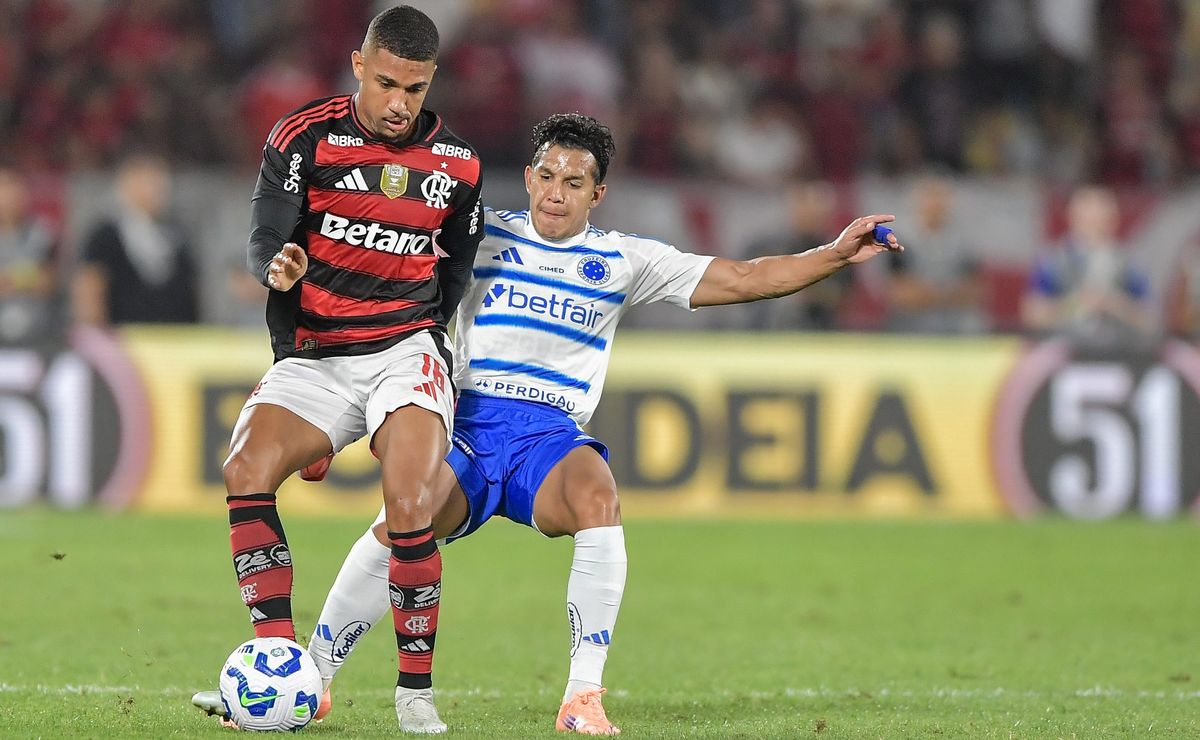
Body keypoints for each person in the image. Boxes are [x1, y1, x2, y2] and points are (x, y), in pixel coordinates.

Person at [194, 113, 898, 734]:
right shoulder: (478, 235)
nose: (556, 191)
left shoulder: (624, 260)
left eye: (574, 181)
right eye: (547, 174)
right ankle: (312, 681)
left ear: (598, 193)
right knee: (403, 522)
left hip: (546, 436)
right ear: (529, 177)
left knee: (599, 497)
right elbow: (370, 256)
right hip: (463, 420)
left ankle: (582, 698)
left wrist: (835, 254)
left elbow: (746, 277)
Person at [204, 5, 483, 734]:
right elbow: (264, 231)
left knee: (410, 500)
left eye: (415, 89)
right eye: (387, 82)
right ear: (359, 64)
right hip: (319, 355)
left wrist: (432, 340)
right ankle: (279, 667)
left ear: (430, 82)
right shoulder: (305, 137)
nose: (399, 103)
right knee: (245, 469)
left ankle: (414, 693)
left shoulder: (458, 166)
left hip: (403, 351)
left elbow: (455, 271)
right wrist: (279, 262)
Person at [71, 152, 200, 327]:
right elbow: (90, 289)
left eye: (160, 181)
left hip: (174, 342)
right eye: (148, 181)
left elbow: (189, 292)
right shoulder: (106, 235)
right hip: (123, 341)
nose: (157, 189)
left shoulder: (177, 234)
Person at [1021, 185, 1152, 345]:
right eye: (1087, 205)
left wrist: (1114, 304)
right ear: (1072, 214)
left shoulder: (1129, 263)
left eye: (1101, 205)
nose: (1094, 213)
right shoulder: (1053, 261)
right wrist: (1076, 303)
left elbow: (1149, 320)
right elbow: (1033, 317)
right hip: (1065, 353)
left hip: (1118, 353)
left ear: (1114, 215)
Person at [883, 170, 988, 334]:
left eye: (940, 197)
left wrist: (934, 296)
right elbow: (898, 292)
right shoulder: (901, 240)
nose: (935, 204)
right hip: (912, 320)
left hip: (956, 320)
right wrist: (944, 295)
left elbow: (976, 290)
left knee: (974, 324)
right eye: (929, 196)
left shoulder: (964, 241)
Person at [0, 164, 61, 342]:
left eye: (12, 186)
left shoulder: (43, 232)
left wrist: (8, 278)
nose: (7, 195)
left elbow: (48, 281)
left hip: (39, 335)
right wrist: (28, 276)